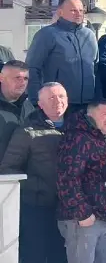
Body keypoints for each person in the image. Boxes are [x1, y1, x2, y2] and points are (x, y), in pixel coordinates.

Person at [0, 82, 69, 263]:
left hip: (70, 208)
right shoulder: (27, 132)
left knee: (62, 256)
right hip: (37, 207)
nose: (58, 102)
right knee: (34, 255)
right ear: (40, 104)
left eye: (61, 97)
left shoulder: (78, 128)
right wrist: (38, 186)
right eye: (51, 98)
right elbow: (8, 169)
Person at [56, 101, 106, 263]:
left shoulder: (100, 138)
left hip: (104, 217)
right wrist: (82, 213)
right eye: (104, 115)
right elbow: (67, 178)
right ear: (89, 116)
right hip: (83, 220)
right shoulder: (78, 138)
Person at [26, 0, 99, 111]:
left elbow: (96, 68)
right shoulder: (47, 34)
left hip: (88, 104)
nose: (78, 14)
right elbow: (33, 68)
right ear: (60, 12)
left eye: (81, 10)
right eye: (73, 10)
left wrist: (98, 98)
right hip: (58, 104)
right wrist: (36, 100)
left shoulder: (89, 35)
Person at [0, 59, 34, 155]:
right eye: (17, 78)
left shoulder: (28, 107)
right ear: (1, 78)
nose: (22, 83)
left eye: (25, 78)